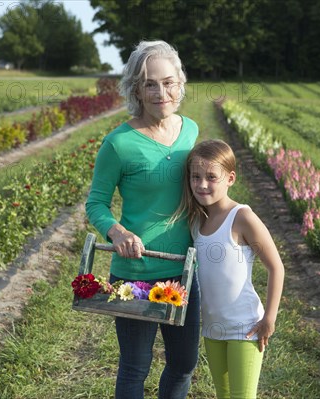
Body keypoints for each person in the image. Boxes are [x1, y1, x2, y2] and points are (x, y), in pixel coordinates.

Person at [85, 40, 200, 399]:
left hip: (183, 270)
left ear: (180, 83)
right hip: (135, 273)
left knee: (184, 363)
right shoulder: (119, 144)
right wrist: (116, 231)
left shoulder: (191, 131)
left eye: (168, 82)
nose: (161, 91)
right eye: (150, 83)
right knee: (135, 367)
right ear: (136, 88)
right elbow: (96, 204)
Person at [172, 139, 285, 399]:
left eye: (211, 177)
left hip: (245, 327)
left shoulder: (242, 217)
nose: (201, 184)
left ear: (230, 178)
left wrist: (270, 318)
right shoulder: (196, 221)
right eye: (195, 176)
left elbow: (276, 267)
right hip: (212, 327)